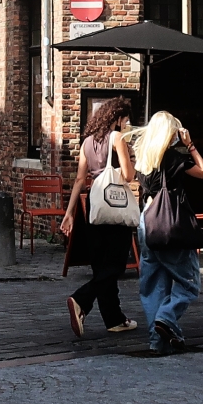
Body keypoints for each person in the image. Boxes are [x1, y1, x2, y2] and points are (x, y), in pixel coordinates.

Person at [57, 97, 139, 338]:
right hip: (114, 205)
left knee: (102, 266)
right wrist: (131, 155)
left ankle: (114, 319)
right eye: (126, 119)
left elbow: (80, 180)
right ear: (118, 118)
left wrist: (69, 212)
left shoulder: (86, 143)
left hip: (94, 205)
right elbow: (128, 175)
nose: (127, 123)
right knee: (114, 266)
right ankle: (81, 299)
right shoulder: (117, 138)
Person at [132, 110, 203, 354]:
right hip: (169, 224)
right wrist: (191, 145)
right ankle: (166, 317)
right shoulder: (174, 158)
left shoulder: (142, 159)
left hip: (147, 221)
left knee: (153, 285)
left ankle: (158, 342)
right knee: (189, 283)